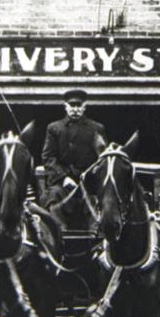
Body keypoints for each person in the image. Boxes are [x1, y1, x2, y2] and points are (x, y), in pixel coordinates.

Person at [40, 89, 107, 231]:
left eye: (78, 105)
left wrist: (89, 175)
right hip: (62, 184)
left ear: (84, 107)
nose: (75, 109)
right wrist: (64, 178)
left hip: (88, 184)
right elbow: (48, 157)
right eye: (72, 105)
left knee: (98, 205)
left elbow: (102, 158)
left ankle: (97, 243)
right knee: (52, 199)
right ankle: (58, 240)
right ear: (65, 106)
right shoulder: (54, 128)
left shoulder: (96, 128)